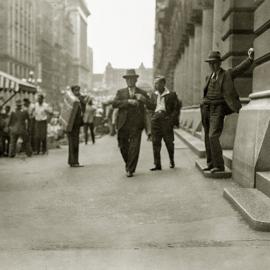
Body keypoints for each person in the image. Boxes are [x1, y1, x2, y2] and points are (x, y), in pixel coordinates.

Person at [201, 48, 254, 173]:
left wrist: (250, 59)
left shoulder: (227, 74)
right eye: (210, 63)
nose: (212, 65)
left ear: (219, 63)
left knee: (213, 136)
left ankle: (219, 166)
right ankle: (210, 163)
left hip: (218, 108)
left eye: (214, 62)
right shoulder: (208, 77)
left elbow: (239, 69)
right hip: (206, 108)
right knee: (207, 137)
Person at [112, 69, 153, 177]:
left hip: (136, 124)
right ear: (125, 80)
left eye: (132, 79)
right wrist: (128, 102)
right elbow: (114, 104)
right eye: (127, 79)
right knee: (122, 146)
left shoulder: (142, 92)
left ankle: (130, 169)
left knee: (134, 147)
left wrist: (143, 99)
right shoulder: (120, 92)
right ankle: (129, 163)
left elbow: (152, 105)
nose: (129, 81)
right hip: (123, 124)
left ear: (136, 80)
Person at [150, 76, 179, 171]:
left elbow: (176, 109)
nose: (155, 85)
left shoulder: (171, 94)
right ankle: (157, 164)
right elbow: (150, 107)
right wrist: (152, 117)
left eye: (157, 83)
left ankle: (172, 160)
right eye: (155, 83)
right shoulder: (153, 95)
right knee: (155, 142)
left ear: (163, 84)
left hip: (166, 119)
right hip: (155, 120)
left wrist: (171, 119)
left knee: (169, 142)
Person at [67, 85, 84, 167]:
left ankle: (74, 161)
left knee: (75, 143)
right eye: (76, 90)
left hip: (76, 125)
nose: (78, 92)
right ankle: (73, 161)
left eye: (78, 90)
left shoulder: (78, 100)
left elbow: (82, 110)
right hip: (71, 125)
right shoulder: (72, 100)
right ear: (72, 91)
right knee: (72, 143)